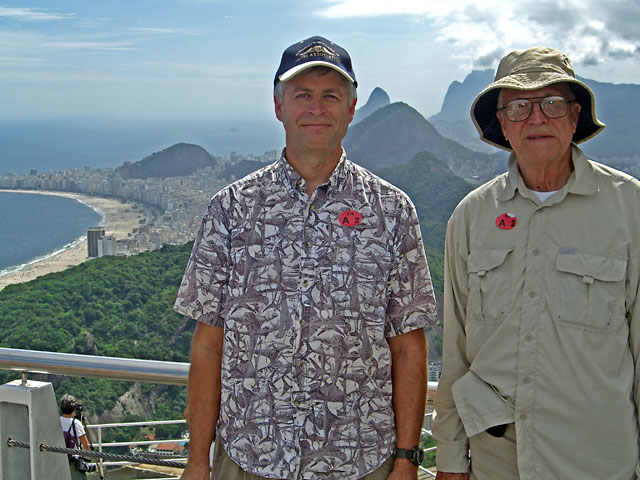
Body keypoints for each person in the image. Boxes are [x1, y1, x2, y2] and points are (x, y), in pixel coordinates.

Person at [174, 35, 437, 480]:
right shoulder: (232, 209)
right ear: (279, 107)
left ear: (351, 109)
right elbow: (208, 343)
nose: (317, 109)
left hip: (358, 458)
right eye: (302, 96)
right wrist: (198, 460)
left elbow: (408, 345)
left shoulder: (391, 210)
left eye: (330, 96)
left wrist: (407, 459)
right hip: (250, 455)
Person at [432, 46, 640, 480]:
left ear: (575, 116)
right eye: (519, 107)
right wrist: (449, 458)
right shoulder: (471, 216)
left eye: (552, 103)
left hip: (597, 463)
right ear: (503, 124)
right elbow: (456, 349)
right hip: (496, 462)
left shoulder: (629, 208)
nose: (536, 118)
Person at [60, 394, 90, 479]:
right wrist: (81, 458)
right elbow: (86, 446)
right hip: (73, 462)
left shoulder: (57, 421)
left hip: (60, 461)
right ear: (74, 409)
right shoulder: (76, 423)